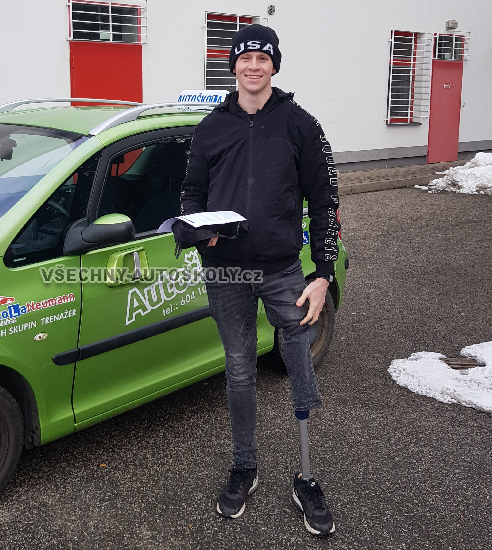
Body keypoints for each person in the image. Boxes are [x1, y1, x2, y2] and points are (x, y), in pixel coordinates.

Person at [174, 24, 340, 535]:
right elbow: (190, 194)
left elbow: (325, 203)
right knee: (240, 368)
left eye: (262, 58)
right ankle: (245, 467)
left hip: (283, 270)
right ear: (233, 65)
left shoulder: (300, 124)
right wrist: (198, 234)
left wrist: (323, 274)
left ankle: (306, 477)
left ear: (274, 66)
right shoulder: (211, 128)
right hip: (227, 272)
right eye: (244, 58)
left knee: (299, 363)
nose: (253, 66)